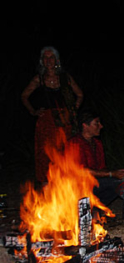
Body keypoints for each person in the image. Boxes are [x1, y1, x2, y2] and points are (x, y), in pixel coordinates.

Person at [68, 111, 124, 221]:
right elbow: (80, 171)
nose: (101, 126)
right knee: (116, 181)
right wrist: (111, 174)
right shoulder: (74, 143)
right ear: (85, 125)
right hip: (77, 188)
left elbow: (102, 169)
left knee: (122, 180)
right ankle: (82, 209)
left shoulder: (97, 143)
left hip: (94, 184)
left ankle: (97, 209)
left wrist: (116, 173)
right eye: (96, 123)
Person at [21, 46, 84, 184]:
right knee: (45, 154)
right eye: (45, 57)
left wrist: (73, 109)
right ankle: (47, 185)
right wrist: (33, 111)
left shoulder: (65, 77)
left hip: (64, 119)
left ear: (57, 60)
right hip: (46, 121)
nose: (48, 60)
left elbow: (80, 94)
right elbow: (24, 96)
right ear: (42, 61)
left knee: (65, 151)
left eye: (51, 57)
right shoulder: (39, 79)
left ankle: (66, 184)